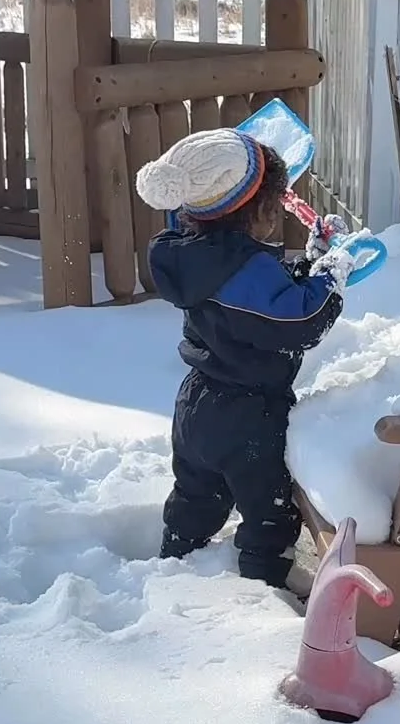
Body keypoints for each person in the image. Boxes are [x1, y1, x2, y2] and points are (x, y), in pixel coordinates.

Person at [136, 127, 353, 592]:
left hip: (196, 403)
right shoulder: (243, 270)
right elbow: (298, 319)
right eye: (275, 204)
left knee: (195, 496)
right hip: (249, 415)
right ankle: (260, 592)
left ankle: (175, 562)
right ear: (257, 212)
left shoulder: (188, 251)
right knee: (268, 515)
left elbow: (264, 297)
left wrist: (309, 263)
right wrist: (332, 275)